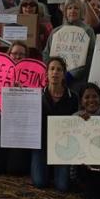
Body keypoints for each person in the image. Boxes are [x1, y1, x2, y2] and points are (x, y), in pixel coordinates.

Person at [0, 41, 36, 175]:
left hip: (20, 124)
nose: (18, 57)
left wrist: (22, 92)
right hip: (0, 120)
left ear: (26, 56)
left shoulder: (33, 75)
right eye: (14, 54)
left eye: (21, 54)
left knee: (16, 170)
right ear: (9, 54)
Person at [31, 56, 79, 191]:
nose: (55, 72)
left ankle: (55, 170)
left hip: (63, 145)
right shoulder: (36, 95)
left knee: (62, 187)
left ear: (64, 74)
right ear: (46, 73)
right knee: (40, 183)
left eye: (59, 70)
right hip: (41, 143)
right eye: (52, 69)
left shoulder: (73, 97)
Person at [43, 0, 95, 94]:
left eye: (76, 8)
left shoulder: (88, 31)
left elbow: (90, 57)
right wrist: (52, 71)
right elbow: (46, 53)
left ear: (82, 11)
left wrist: (71, 75)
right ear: (65, 11)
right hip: (55, 80)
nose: (72, 10)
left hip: (77, 83)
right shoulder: (56, 31)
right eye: (69, 8)